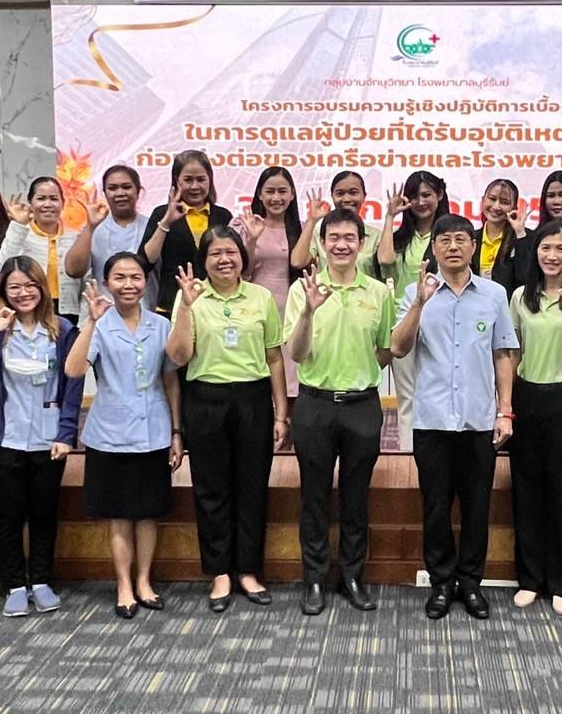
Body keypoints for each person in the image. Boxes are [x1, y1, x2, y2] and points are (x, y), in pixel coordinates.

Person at [391, 214, 518, 620]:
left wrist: (505, 411)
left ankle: (471, 583)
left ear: (473, 245)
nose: (452, 246)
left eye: (461, 239)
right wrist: (418, 303)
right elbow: (398, 346)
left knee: (477, 508)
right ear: (434, 248)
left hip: (479, 420)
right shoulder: (417, 292)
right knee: (435, 508)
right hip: (432, 421)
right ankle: (441, 583)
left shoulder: (494, 294)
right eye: (443, 240)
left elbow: (503, 354)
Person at [167, 225, 287, 611]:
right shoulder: (190, 296)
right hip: (205, 399)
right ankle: (219, 572)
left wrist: (281, 412)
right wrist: (186, 305)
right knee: (211, 489)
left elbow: (274, 358)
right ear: (204, 261)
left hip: (252, 398)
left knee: (252, 487)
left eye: (231, 252)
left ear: (243, 257)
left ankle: (248, 571)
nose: (224, 259)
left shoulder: (261, 297)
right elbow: (179, 357)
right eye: (215, 253)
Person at [285, 209, 395, 615]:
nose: (342, 244)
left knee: (356, 497)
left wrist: (357, 374)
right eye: (334, 237)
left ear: (362, 243)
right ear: (321, 243)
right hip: (314, 404)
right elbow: (295, 354)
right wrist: (310, 311)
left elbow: (384, 351)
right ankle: (313, 579)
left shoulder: (378, 292)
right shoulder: (303, 290)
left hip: (362, 407)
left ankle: (352, 576)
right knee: (313, 497)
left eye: (350, 237)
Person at [65, 252, 183, 619]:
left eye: (135, 277)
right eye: (119, 277)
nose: (128, 284)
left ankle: (145, 581)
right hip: (109, 433)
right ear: (106, 283)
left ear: (145, 282)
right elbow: (72, 370)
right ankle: (123, 585)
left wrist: (178, 432)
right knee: (119, 515)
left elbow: (170, 379)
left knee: (149, 513)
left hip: (155, 430)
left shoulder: (160, 325)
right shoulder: (99, 324)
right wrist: (90, 322)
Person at [0, 256, 84, 618]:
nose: (23, 293)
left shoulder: (62, 329)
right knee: (6, 516)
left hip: (48, 438)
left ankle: (41, 581)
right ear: (3, 291)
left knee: (44, 514)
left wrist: (67, 433)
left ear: (42, 288)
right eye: (14, 287)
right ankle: (15, 585)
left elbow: (73, 383)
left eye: (30, 285)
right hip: (3, 438)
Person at [506, 221, 562, 616]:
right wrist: (506, 406)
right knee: (526, 492)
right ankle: (530, 579)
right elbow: (511, 355)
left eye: (561, 248)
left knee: (561, 494)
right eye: (546, 248)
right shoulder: (521, 297)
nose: (552, 255)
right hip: (528, 398)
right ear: (535, 252)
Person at [377, 170, 449, 452]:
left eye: (427, 195)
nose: (421, 202)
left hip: (440, 323)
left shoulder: (447, 235)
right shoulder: (401, 237)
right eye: (415, 196)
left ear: (440, 195)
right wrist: (389, 216)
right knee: (407, 398)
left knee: (439, 395)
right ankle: (408, 458)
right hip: (403, 324)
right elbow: (384, 259)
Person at [235, 166, 304, 396]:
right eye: (270, 191)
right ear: (260, 195)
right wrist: (252, 240)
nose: (276, 198)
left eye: (282, 191)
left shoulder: (303, 229)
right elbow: (241, 273)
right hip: (252, 309)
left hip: (291, 310)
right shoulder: (242, 225)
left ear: (292, 194)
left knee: (290, 379)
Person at [143, 149, 233, 317]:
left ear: (210, 180)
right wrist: (166, 222)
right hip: (171, 306)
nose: (195, 186)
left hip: (216, 305)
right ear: (177, 181)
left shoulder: (223, 216)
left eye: (201, 179)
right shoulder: (161, 213)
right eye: (188, 180)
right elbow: (147, 260)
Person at [67, 164, 153, 307]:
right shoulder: (93, 228)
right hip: (101, 316)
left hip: (145, 316)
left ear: (138, 191)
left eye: (126, 187)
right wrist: (90, 227)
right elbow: (73, 270)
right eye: (112, 188)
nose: (120, 193)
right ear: (105, 193)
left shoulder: (153, 228)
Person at [0, 176, 82, 323]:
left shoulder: (75, 238)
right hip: (30, 310)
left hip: (69, 313)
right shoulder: (20, 233)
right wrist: (18, 225)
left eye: (54, 199)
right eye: (41, 198)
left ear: (63, 203)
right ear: (30, 203)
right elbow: (2, 266)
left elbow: (85, 282)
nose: (48, 204)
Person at [292, 170, 384, 279]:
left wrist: (390, 217)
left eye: (353, 192)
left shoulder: (376, 235)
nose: (346, 199)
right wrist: (312, 221)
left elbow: (387, 265)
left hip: (366, 294)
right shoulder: (319, 231)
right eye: (340, 193)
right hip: (327, 294)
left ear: (364, 196)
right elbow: (297, 262)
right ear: (332, 196)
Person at [475, 178, 525, 293]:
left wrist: (520, 234)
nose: (496, 206)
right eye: (492, 199)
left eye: (504, 202)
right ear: (483, 200)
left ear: (514, 208)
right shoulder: (471, 237)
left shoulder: (524, 238)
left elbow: (524, 278)